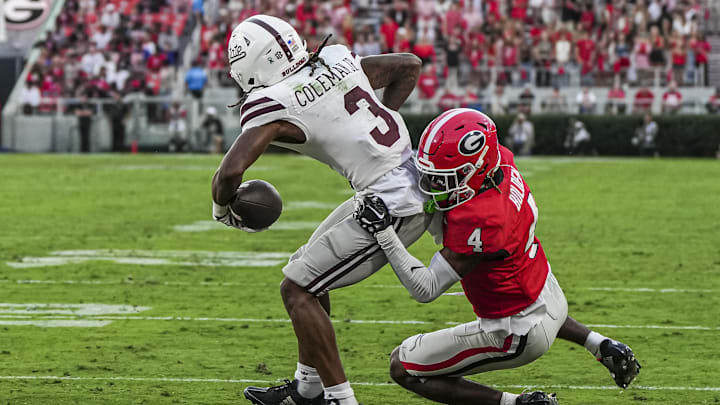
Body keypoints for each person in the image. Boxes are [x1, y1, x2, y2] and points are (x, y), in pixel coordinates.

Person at [352, 109, 641, 405]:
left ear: (476, 168)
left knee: (402, 366)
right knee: (523, 287)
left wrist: (384, 233)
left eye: (443, 178)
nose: (433, 184)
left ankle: (517, 403)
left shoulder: (481, 219)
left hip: (515, 330)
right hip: (549, 295)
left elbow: (424, 288)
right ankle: (602, 344)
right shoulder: (499, 162)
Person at [211, 15, 429, 405]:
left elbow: (229, 173)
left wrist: (221, 209)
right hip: (407, 180)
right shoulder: (335, 59)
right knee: (307, 269)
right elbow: (409, 65)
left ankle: (341, 399)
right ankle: (307, 388)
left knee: (296, 289)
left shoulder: (273, 102)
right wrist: (380, 117)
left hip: (394, 205)